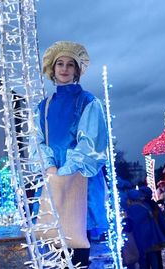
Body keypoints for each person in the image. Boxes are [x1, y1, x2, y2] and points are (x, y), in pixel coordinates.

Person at [32, 41, 109, 267]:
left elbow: (90, 141)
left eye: (69, 64)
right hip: (53, 176)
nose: (64, 69)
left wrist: (67, 170)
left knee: (77, 240)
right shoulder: (42, 106)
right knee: (55, 244)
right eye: (60, 64)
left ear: (76, 70)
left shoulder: (88, 101)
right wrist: (50, 167)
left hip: (80, 177)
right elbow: (36, 140)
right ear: (53, 69)